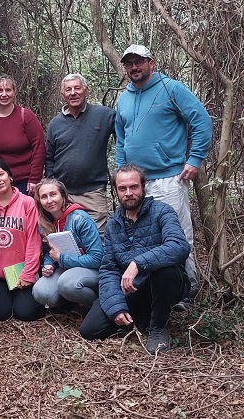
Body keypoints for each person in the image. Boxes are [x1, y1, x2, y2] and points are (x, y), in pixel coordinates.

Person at [114, 44, 212, 299]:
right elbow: (121, 139)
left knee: (177, 237)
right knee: (144, 239)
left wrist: (195, 159)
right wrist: (121, 172)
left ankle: (185, 291)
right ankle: (151, 293)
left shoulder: (172, 88)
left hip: (169, 177)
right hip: (136, 185)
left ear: (151, 62)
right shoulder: (123, 98)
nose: (134, 67)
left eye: (139, 62)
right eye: (129, 63)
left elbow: (201, 121)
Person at [79, 164, 191, 354]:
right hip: (133, 288)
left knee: (166, 272)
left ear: (143, 187)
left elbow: (179, 246)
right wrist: (116, 308)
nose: (128, 193)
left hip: (166, 283)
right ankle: (141, 316)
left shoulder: (162, 212)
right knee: (90, 329)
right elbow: (108, 269)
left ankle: (158, 326)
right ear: (116, 191)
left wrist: (137, 264)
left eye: (134, 187)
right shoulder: (114, 224)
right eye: (122, 188)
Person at [44, 73, 115, 230]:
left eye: (77, 88)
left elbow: (125, 137)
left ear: (86, 90)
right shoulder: (55, 124)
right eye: (68, 90)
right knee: (68, 238)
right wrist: (52, 187)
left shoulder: (104, 115)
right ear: (63, 95)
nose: (73, 93)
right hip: (64, 194)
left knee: (98, 237)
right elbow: (49, 157)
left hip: (94, 193)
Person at [0, 159, 45, 322]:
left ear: (10, 176)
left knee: (25, 313)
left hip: (22, 271)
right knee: (0, 314)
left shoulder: (27, 203)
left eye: (1, 174)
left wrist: (28, 273)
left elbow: (33, 241)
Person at [31, 178, 103, 309]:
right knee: (40, 292)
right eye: (44, 197)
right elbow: (49, 252)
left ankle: (95, 306)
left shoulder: (80, 219)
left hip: (91, 270)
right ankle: (72, 304)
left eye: (53, 194)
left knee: (67, 284)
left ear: (63, 195)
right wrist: (48, 265)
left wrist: (62, 259)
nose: (49, 200)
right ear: (40, 202)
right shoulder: (44, 224)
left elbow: (97, 258)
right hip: (64, 270)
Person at [0, 75, 45, 195]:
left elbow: (39, 147)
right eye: (0, 90)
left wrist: (34, 179)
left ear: (14, 92)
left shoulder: (26, 116)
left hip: (24, 181)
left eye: (8, 90)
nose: (4, 94)